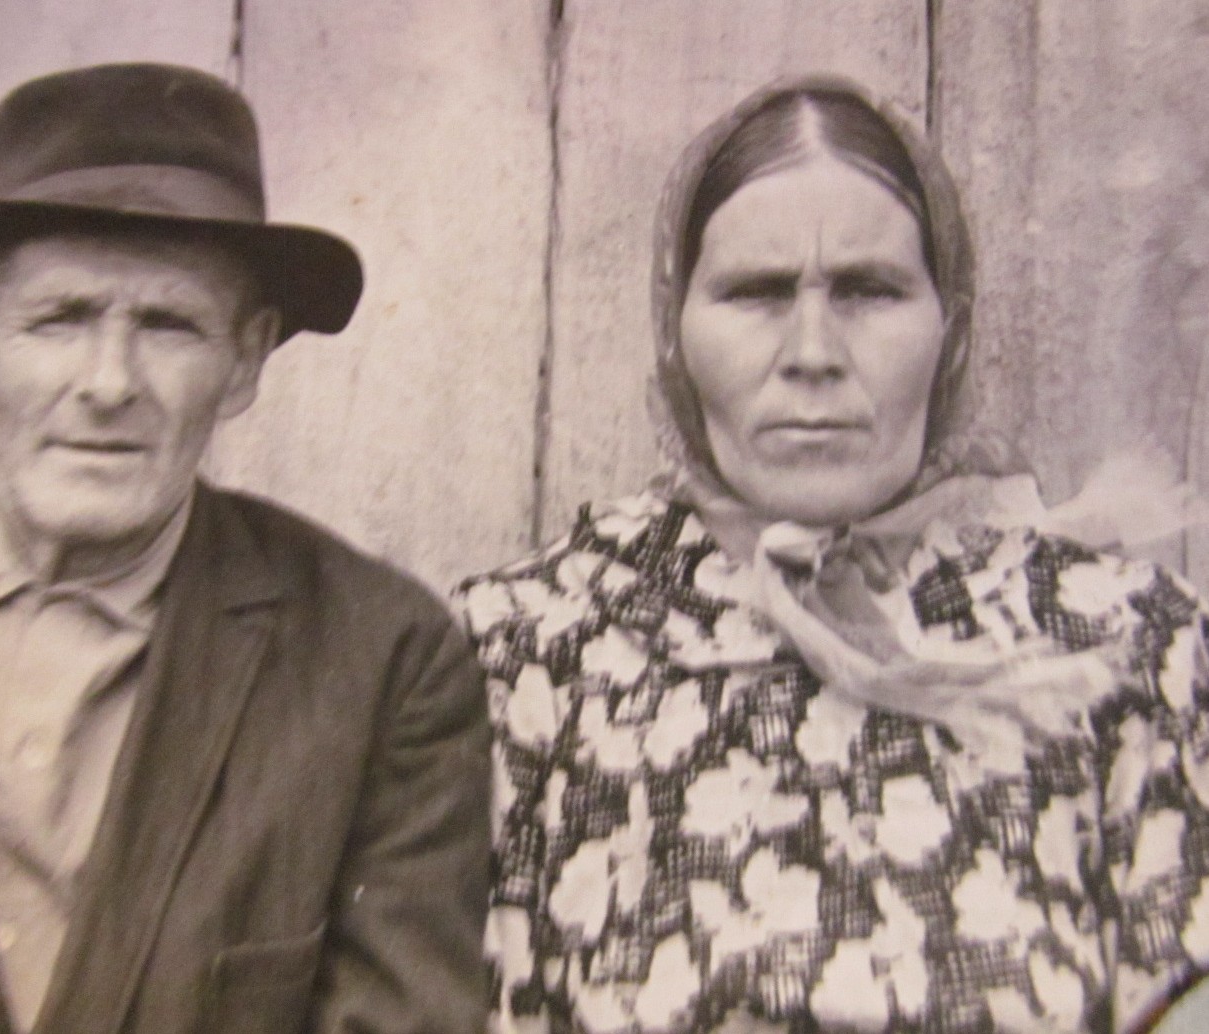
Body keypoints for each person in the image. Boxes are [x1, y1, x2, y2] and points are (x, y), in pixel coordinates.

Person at [456, 75, 1209, 1033]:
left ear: (952, 331)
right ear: (674, 332)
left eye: (867, 290)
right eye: (756, 293)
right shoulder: (523, 653)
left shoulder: (1124, 645)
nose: (812, 352)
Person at [0, 63, 489, 1034]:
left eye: (167, 324)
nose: (109, 382)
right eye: (59, 319)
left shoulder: (380, 656)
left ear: (243, 361)